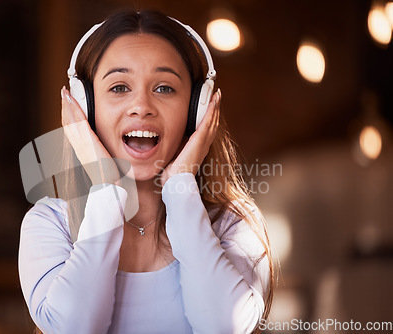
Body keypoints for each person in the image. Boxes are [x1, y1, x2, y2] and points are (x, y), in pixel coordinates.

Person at [18, 9, 274, 334]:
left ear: (197, 109)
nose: (142, 106)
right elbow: (75, 328)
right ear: (85, 107)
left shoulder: (233, 225)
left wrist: (180, 188)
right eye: (119, 87)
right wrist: (106, 185)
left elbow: (222, 326)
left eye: (164, 88)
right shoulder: (49, 224)